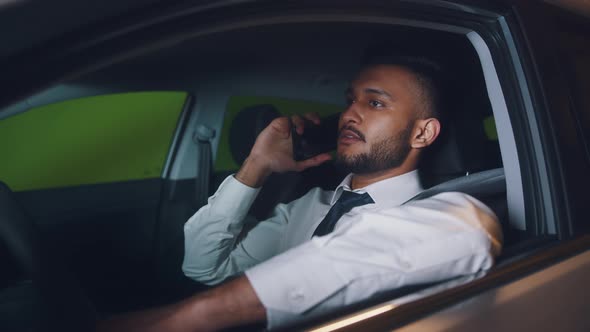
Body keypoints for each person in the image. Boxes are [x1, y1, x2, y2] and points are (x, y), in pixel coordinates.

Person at [98, 57, 502, 332]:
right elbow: (204, 267)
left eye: (375, 102)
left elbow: (464, 232)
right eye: (350, 101)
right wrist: (257, 165)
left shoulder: (444, 214)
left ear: (422, 133)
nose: (349, 114)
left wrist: (185, 320)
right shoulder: (307, 207)